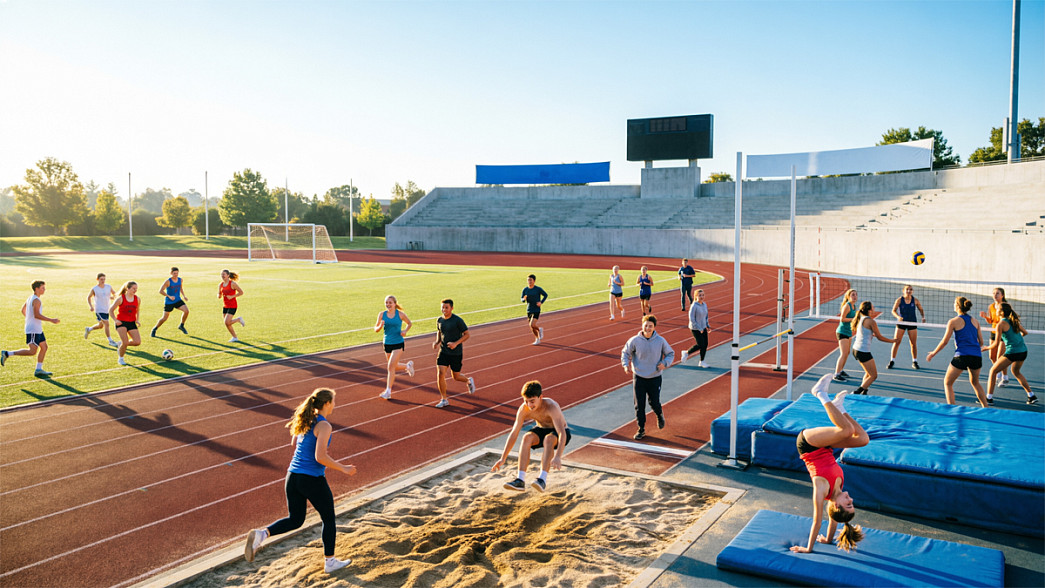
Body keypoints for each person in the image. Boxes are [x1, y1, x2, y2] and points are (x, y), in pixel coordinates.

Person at [243, 388, 356, 573]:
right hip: (311, 479)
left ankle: (262, 534)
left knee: (295, 519)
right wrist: (343, 468)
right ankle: (330, 562)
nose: (335, 404)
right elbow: (320, 457)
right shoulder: (324, 425)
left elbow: (294, 443)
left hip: (292, 477)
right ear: (327, 404)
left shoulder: (306, 419)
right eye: (333, 401)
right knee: (328, 518)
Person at [789, 374, 868, 554]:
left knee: (846, 430)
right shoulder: (838, 491)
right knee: (863, 439)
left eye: (848, 504)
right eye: (851, 503)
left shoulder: (822, 488)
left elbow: (817, 521)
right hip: (825, 448)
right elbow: (834, 519)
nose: (851, 500)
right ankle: (840, 408)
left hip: (808, 445)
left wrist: (808, 548)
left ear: (837, 505)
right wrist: (828, 539)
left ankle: (819, 393)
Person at [492, 380, 571, 493]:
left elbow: (561, 433)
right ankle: (520, 480)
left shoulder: (551, 407)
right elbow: (514, 433)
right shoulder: (523, 409)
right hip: (541, 429)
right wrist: (503, 457)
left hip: (561, 432)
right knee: (526, 437)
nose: (529, 405)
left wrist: (558, 456)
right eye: (526, 401)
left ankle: (542, 479)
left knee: (548, 439)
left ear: (540, 397)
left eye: (532, 401)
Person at [926, 297, 988, 407]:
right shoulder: (975, 321)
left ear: (958, 306)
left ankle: (952, 409)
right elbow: (981, 342)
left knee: (948, 383)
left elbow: (944, 342)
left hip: (962, 356)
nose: (953, 305)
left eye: (954, 303)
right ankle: (986, 407)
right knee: (975, 383)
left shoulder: (953, 321)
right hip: (976, 356)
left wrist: (933, 353)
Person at [621, 314, 674, 440]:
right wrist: (625, 365)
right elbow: (625, 352)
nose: (648, 328)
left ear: (654, 327)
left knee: (654, 402)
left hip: (655, 377)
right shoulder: (634, 340)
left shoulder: (660, 341)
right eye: (646, 325)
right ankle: (641, 429)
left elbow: (670, 353)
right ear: (642, 326)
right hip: (639, 377)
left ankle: (659, 414)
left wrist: (665, 363)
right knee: (639, 405)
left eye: (650, 326)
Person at [1, 280, 60, 377]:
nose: (44, 289)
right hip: (33, 330)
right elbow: (36, 315)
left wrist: (29, 319)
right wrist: (51, 320)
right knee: (32, 351)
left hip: (37, 329)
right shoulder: (36, 300)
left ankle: (38, 369)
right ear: (37, 289)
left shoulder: (30, 298)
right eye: (42, 288)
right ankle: (7, 354)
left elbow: (23, 310)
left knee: (44, 347)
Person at [983, 302, 1037, 405]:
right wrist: (1016, 339)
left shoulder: (1000, 324)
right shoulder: (1014, 321)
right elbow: (1025, 333)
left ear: (1002, 312)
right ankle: (1031, 395)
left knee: (993, 371)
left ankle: (988, 398)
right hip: (1023, 351)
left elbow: (996, 344)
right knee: (1016, 372)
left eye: (998, 309)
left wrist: (985, 348)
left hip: (1012, 352)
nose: (996, 310)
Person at [432, 299, 475, 408]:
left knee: (456, 376)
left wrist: (455, 344)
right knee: (440, 373)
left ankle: (468, 381)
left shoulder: (457, 320)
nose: (444, 309)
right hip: (443, 351)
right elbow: (439, 331)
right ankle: (444, 399)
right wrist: (437, 342)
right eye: (442, 307)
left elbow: (467, 334)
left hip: (456, 353)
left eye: (446, 307)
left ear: (451, 308)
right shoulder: (439, 320)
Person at [848, 301, 897, 395]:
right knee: (873, 375)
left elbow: (864, 332)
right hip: (863, 351)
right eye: (873, 307)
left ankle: (864, 391)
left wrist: (871, 334)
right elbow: (880, 337)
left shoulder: (861, 318)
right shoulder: (871, 321)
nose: (874, 308)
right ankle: (857, 392)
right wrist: (893, 341)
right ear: (869, 310)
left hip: (856, 349)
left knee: (868, 373)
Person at [374, 295, 414, 400]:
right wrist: (380, 326)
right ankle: (407, 366)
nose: (388, 304)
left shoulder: (400, 314)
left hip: (398, 343)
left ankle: (388, 391)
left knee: (390, 367)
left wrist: (405, 331)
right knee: (393, 366)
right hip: (387, 343)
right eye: (386, 303)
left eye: (390, 303)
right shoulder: (382, 314)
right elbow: (376, 329)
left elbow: (409, 323)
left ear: (394, 304)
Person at [887, 284, 925, 370]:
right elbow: (893, 311)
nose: (909, 291)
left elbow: (921, 309)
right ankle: (892, 360)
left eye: (910, 289)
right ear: (903, 291)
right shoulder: (899, 300)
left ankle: (914, 361)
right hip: (901, 323)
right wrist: (898, 317)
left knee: (913, 343)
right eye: (907, 289)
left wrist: (923, 317)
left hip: (912, 323)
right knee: (896, 342)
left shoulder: (915, 300)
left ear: (912, 291)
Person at [979, 288, 1010, 389]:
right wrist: (985, 317)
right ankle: (998, 372)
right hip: (993, 332)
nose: (995, 295)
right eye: (994, 293)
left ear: (1002, 295)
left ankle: (1005, 377)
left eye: (997, 293)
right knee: (992, 356)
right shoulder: (991, 306)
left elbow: (1009, 319)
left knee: (1000, 357)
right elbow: (991, 321)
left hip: (1003, 334)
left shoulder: (1005, 306)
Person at [110, 281, 142, 366]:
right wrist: (115, 320)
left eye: (136, 289)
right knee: (125, 342)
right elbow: (111, 310)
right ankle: (121, 358)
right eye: (133, 288)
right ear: (127, 289)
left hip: (131, 322)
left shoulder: (137, 299)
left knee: (137, 342)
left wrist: (137, 320)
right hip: (121, 322)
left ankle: (120, 344)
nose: (135, 290)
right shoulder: (120, 299)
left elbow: (137, 310)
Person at [151, 267, 190, 337]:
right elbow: (161, 291)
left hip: (177, 300)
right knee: (164, 318)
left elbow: (180, 288)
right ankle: (154, 329)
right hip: (169, 302)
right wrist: (169, 296)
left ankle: (181, 325)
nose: (176, 275)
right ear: (171, 273)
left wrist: (184, 296)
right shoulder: (168, 281)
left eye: (177, 273)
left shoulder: (180, 280)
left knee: (186, 311)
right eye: (174, 273)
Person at [85, 273, 118, 347]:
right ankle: (110, 340)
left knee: (101, 326)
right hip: (99, 309)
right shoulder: (95, 289)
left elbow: (114, 294)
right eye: (101, 279)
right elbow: (89, 297)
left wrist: (112, 297)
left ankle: (89, 329)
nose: (103, 281)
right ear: (97, 279)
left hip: (107, 309)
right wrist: (91, 306)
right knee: (107, 324)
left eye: (104, 279)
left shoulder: (108, 287)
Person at [832, 289, 858, 383]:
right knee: (843, 353)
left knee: (847, 353)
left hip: (848, 332)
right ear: (848, 296)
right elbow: (842, 319)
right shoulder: (847, 306)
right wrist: (853, 319)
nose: (855, 297)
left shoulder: (854, 306)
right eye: (852, 295)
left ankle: (841, 370)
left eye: (856, 295)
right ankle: (836, 374)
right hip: (842, 332)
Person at [681, 288, 710, 367]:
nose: (702, 297)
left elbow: (706, 316)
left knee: (705, 344)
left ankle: (702, 361)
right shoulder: (694, 306)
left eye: (703, 295)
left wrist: (707, 325)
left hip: (703, 327)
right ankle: (686, 353)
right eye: (700, 295)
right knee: (700, 344)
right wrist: (699, 328)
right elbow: (692, 319)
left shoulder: (704, 305)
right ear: (696, 296)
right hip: (695, 328)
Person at [219, 269, 246, 343]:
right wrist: (219, 295)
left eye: (224, 274)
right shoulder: (220, 284)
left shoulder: (232, 284)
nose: (222, 276)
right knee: (227, 323)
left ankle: (238, 319)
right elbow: (219, 293)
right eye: (221, 274)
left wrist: (232, 296)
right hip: (225, 305)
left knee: (227, 322)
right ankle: (235, 337)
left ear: (228, 275)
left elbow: (241, 292)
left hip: (232, 305)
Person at [521, 274, 548, 345]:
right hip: (529, 309)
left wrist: (541, 302)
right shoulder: (525, 289)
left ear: (534, 281)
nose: (529, 281)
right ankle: (537, 339)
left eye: (530, 280)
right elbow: (522, 299)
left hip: (536, 309)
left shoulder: (538, 289)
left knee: (532, 324)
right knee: (531, 326)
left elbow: (545, 295)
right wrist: (523, 299)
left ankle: (539, 330)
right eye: (528, 280)